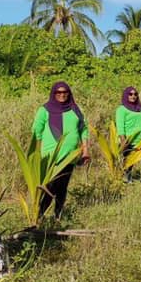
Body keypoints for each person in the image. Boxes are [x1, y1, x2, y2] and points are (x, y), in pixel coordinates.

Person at [32, 81, 90, 220]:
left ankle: (58, 216)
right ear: (53, 93)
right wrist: (37, 154)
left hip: (69, 157)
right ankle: (38, 217)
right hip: (51, 158)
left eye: (65, 92)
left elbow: (84, 129)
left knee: (63, 187)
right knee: (49, 187)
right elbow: (36, 132)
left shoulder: (75, 109)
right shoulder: (44, 110)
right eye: (59, 92)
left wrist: (85, 150)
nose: (62, 95)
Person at [115, 86, 141, 182]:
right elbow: (120, 126)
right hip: (129, 140)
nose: (133, 96)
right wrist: (123, 140)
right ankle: (127, 180)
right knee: (129, 162)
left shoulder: (140, 109)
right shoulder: (121, 109)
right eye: (130, 94)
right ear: (126, 95)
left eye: (135, 94)